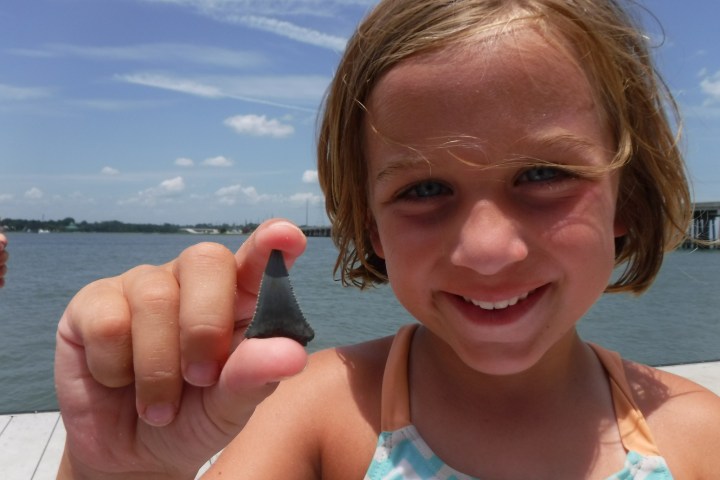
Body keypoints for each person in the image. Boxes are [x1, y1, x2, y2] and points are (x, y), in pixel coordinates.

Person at [55, 0, 720, 478]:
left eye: (544, 175)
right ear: (371, 224)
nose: (487, 250)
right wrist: (114, 471)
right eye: (424, 190)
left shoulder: (698, 437)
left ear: (625, 200)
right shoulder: (318, 416)